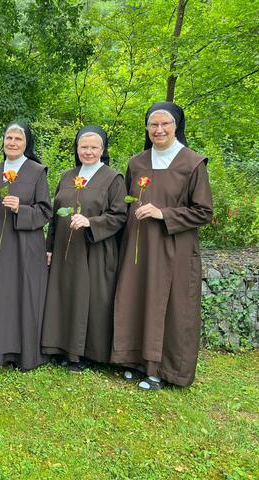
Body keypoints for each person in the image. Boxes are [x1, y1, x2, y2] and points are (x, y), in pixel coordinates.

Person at [111, 102, 213, 390]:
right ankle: (133, 360)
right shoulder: (137, 163)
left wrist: (163, 213)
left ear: (176, 126)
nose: (159, 130)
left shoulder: (192, 163)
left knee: (167, 306)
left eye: (165, 124)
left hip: (174, 249)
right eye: (153, 124)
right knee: (135, 298)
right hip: (138, 246)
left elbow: (204, 211)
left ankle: (160, 370)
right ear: (146, 128)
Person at [41, 126, 127, 372]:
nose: (88, 152)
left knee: (89, 300)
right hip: (65, 251)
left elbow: (120, 215)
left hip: (95, 251)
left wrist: (91, 222)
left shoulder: (113, 178)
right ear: (77, 149)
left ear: (102, 150)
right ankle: (61, 347)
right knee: (64, 296)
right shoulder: (67, 175)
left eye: (93, 147)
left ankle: (85, 353)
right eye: (83, 147)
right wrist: (49, 247)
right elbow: (55, 216)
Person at [0, 122, 52, 371]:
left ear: (26, 143)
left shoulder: (37, 172)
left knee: (22, 297)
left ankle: (22, 354)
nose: (12, 143)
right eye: (9, 138)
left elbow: (45, 211)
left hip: (25, 248)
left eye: (18, 138)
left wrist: (21, 209)